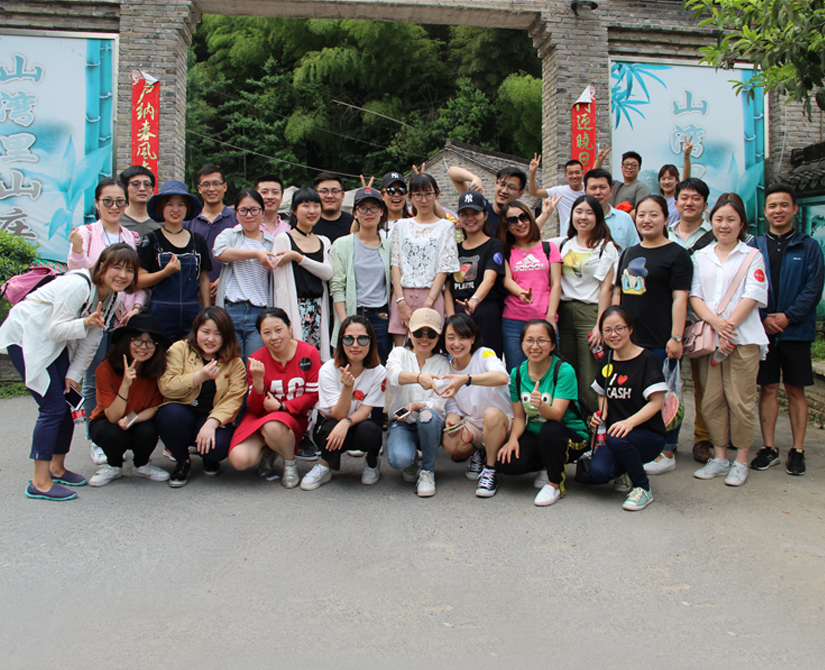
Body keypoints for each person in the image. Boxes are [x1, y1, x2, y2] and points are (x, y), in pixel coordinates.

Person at [0, 244, 140, 500]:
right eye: (117, 267)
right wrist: (84, 322)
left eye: (129, 270)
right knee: (52, 407)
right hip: (26, 337)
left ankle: (57, 467)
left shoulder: (113, 297)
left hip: (53, 344)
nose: (123, 275)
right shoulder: (77, 285)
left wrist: (74, 374)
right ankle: (39, 481)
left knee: (66, 403)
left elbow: (92, 339)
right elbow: (56, 329)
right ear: (101, 267)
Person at [66, 178, 147, 465]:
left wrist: (136, 307)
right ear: (97, 204)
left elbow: (135, 280)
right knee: (93, 379)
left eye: (119, 201)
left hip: (123, 320)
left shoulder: (130, 237)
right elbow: (78, 276)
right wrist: (77, 250)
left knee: (124, 377)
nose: (114, 207)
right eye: (108, 201)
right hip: (95, 318)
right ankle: (96, 438)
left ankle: (122, 435)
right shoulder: (86, 234)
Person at [689, 198, 768, 486]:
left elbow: (754, 294)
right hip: (712, 340)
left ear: (741, 223)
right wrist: (717, 325)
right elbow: (694, 295)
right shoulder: (701, 256)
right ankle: (720, 457)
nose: (724, 225)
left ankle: (741, 460)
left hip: (743, 339)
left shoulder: (752, 256)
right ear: (711, 222)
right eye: (719, 219)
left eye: (731, 219)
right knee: (712, 401)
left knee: (741, 401)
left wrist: (728, 328)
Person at [750, 184, 825, 476]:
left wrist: (789, 317)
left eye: (784, 205)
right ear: (765, 211)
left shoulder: (809, 246)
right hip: (763, 331)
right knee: (768, 388)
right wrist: (764, 317)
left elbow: (813, 288)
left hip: (796, 331)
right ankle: (769, 447)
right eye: (772, 206)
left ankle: (797, 449)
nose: (778, 210)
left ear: (794, 209)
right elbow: (747, 287)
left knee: (795, 389)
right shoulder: (755, 246)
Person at [615, 195, 692, 475]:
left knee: (666, 395)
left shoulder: (677, 254)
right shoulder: (629, 252)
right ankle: (641, 445)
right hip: (629, 341)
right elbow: (619, 292)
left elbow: (680, 298)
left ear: (666, 219)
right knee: (633, 395)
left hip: (660, 339)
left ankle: (667, 449)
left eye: (654, 214)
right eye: (641, 215)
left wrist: (676, 337)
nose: (646, 220)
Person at [496, 319, 590, 506]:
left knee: (551, 429)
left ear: (553, 345)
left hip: (568, 434)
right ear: (522, 343)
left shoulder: (563, 370)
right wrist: (512, 439)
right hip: (537, 435)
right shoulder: (517, 373)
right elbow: (520, 417)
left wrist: (541, 405)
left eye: (542, 341)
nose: (535, 346)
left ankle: (554, 483)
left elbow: (556, 415)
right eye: (529, 340)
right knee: (507, 464)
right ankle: (549, 462)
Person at [227, 308, 321, 488]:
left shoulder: (309, 353)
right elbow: (254, 408)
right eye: (267, 333)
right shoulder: (256, 359)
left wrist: (281, 407)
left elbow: (312, 396)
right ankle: (269, 451)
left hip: (291, 417)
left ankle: (289, 463)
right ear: (260, 336)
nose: (274, 337)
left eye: (279, 330)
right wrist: (258, 382)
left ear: (289, 328)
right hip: (260, 416)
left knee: (273, 426)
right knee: (239, 459)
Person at [156, 307, 246, 487]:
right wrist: (200, 376)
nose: (210, 339)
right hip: (183, 412)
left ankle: (209, 457)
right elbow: (166, 386)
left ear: (226, 336)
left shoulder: (234, 362)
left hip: (211, 415)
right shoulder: (180, 349)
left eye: (218, 334)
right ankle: (182, 460)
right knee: (169, 416)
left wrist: (213, 422)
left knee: (218, 447)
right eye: (205, 332)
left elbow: (235, 398)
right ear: (196, 331)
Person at [589, 306, 667, 511]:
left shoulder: (647, 359)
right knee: (598, 473)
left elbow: (657, 402)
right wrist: (602, 412)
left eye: (619, 328)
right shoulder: (607, 359)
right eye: (607, 330)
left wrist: (629, 422)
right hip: (617, 435)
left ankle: (643, 487)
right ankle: (625, 469)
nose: (613, 334)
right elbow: (601, 391)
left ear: (630, 329)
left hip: (648, 434)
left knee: (618, 438)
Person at [550, 194, 619, 414]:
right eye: (578, 211)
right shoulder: (562, 244)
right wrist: (546, 212)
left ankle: (594, 424)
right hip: (563, 313)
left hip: (590, 313)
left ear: (598, 217)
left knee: (590, 375)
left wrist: (600, 325)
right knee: (567, 372)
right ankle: (573, 424)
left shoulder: (606, 247)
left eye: (589, 212)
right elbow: (530, 237)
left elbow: (606, 289)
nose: (583, 217)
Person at [300, 316, 386, 490]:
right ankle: (325, 465)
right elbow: (338, 414)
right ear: (340, 342)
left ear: (371, 342)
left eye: (362, 339)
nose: (355, 345)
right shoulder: (328, 370)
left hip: (358, 422)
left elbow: (365, 410)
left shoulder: (379, 372)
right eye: (348, 339)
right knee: (329, 428)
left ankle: (372, 463)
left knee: (371, 430)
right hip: (331, 422)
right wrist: (347, 388)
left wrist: (346, 423)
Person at [87, 314, 170, 486]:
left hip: (137, 418)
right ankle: (113, 466)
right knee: (111, 433)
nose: (143, 347)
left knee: (148, 429)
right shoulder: (105, 369)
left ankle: (142, 464)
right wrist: (125, 385)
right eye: (138, 340)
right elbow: (112, 416)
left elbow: (154, 407)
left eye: (150, 342)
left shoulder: (158, 370)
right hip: (107, 420)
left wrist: (132, 419)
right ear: (126, 341)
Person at [439, 314, 512, 497]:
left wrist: (467, 379)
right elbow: (451, 402)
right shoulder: (447, 366)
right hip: (474, 424)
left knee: (492, 414)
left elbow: (501, 377)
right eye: (451, 337)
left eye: (463, 337)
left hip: (501, 422)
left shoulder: (484, 354)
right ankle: (479, 451)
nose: (456, 343)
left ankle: (490, 469)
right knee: (450, 441)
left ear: (473, 339)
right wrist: (452, 416)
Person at [670, 178, 716, 463]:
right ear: (675, 203)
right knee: (667, 382)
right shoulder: (664, 233)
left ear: (705, 204)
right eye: (684, 198)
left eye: (696, 198)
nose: (689, 203)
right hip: (669, 319)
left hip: (702, 320)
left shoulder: (715, 235)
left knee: (704, 383)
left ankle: (703, 438)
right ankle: (667, 437)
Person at [385, 308, 452, 497]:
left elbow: (439, 403)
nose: (424, 338)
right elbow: (393, 375)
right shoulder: (399, 353)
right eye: (418, 332)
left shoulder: (443, 363)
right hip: (402, 423)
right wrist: (418, 378)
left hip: (430, 424)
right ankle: (411, 458)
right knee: (399, 459)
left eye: (431, 333)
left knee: (428, 415)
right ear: (409, 333)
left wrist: (417, 406)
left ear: (438, 337)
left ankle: (428, 471)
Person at [389, 173, 460, 346]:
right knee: (400, 351)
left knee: (429, 348)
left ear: (436, 194)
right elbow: (395, 265)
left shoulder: (446, 227)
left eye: (428, 194)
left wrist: (429, 302)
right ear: (410, 196)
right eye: (418, 195)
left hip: (431, 295)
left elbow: (443, 269)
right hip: (402, 295)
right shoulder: (401, 226)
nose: (423, 200)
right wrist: (401, 302)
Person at [137, 179, 212, 342]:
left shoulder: (197, 241)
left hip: (192, 313)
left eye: (181, 204)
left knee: (193, 353)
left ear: (187, 208)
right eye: (169, 204)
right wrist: (165, 273)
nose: (175, 209)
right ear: (161, 208)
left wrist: (206, 312)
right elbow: (139, 279)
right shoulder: (150, 240)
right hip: (160, 314)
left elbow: (204, 279)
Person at [329, 186, 392, 363]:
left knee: (380, 367)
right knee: (350, 366)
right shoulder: (342, 245)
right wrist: (345, 322)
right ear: (355, 213)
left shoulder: (389, 246)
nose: (368, 212)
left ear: (381, 211)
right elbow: (337, 286)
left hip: (381, 316)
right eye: (363, 208)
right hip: (353, 313)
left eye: (374, 207)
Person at [497, 200, 562, 371]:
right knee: (517, 372)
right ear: (506, 226)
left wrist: (550, 316)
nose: (519, 223)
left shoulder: (549, 248)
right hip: (514, 320)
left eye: (523, 217)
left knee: (549, 371)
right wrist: (521, 293)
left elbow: (556, 284)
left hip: (544, 318)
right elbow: (506, 280)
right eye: (512, 220)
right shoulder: (506, 250)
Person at [213, 189, 277, 361]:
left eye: (254, 210)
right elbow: (219, 252)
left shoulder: (271, 243)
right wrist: (256, 254)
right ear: (236, 213)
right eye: (243, 210)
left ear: (262, 212)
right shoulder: (230, 235)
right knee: (231, 365)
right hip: (231, 310)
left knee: (255, 364)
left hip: (260, 313)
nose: (249, 215)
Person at [272, 187, 333, 361]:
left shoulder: (323, 241)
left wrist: (298, 257)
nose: (312, 211)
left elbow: (328, 273)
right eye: (305, 206)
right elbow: (281, 287)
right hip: (295, 309)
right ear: (294, 210)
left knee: (316, 361)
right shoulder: (284, 239)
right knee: (296, 359)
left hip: (319, 308)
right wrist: (284, 322)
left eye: (316, 206)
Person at [444, 189, 507, 357]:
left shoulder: (494, 245)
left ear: (485, 215)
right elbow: (447, 287)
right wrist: (451, 318)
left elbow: (490, 279)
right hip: (459, 312)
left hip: (485, 310)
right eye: (464, 214)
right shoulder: (454, 249)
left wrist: (474, 301)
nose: (470, 218)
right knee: (458, 362)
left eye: (475, 213)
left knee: (488, 361)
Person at [185, 165, 238, 292]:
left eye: (216, 183)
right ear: (199, 189)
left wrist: (223, 279)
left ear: (224, 187)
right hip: (193, 292)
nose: (211, 189)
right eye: (206, 184)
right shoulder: (188, 221)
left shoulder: (237, 220)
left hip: (230, 290)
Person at [448, 165, 527, 233]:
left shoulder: (518, 222)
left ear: (520, 194)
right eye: (502, 184)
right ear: (496, 184)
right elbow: (452, 172)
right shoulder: (480, 207)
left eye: (511, 187)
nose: (504, 191)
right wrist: (475, 178)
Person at [583, 168, 639, 253]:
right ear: (585, 191)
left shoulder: (625, 219)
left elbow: (635, 251)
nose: (598, 192)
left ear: (611, 190)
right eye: (593, 188)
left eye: (602, 187)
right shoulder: (576, 221)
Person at [528, 155, 584, 229]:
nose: (574, 176)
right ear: (566, 176)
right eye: (570, 173)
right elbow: (534, 192)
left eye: (577, 172)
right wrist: (532, 172)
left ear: (583, 173)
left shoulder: (590, 189)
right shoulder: (560, 191)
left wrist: (598, 160)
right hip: (567, 234)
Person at [594, 148, 651, 216]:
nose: (629, 167)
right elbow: (595, 178)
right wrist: (599, 160)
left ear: (639, 169)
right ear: (622, 167)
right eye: (626, 164)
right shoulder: (615, 185)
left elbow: (641, 210)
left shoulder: (640, 187)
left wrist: (620, 219)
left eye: (633, 165)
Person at [658, 136, 693, 227]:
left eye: (670, 178)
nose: (666, 182)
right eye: (663, 179)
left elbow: (686, 178)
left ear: (677, 180)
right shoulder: (658, 202)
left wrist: (686, 157)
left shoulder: (680, 198)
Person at [312, 171, 354, 243]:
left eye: (335, 191)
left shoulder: (353, 223)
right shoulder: (309, 223)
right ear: (315, 195)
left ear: (343, 195)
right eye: (324, 191)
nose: (330, 196)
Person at [119, 165, 160, 237]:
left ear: (153, 190)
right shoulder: (117, 220)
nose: (142, 189)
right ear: (125, 188)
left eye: (147, 184)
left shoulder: (161, 222)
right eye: (136, 184)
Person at [255, 174, 290, 238]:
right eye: (264, 192)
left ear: (281, 198)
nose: (270, 197)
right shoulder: (243, 229)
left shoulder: (289, 230)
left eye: (275, 192)